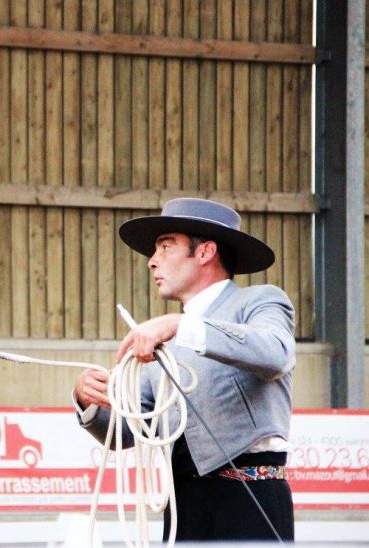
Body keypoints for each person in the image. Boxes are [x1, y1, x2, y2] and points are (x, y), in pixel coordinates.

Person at [73, 197, 295, 542]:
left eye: (165, 246)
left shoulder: (260, 301)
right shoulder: (160, 338)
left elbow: (276, 353)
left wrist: (182, 326)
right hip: (183, 505)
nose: (152, 261)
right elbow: (129, 432)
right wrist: (89, 402)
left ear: (205, 252)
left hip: (252, 499)